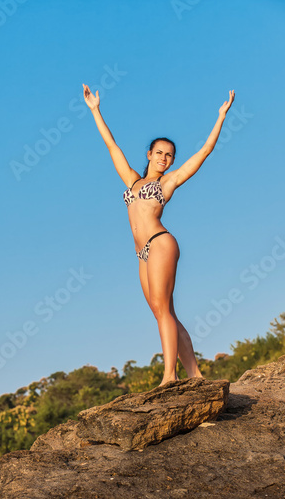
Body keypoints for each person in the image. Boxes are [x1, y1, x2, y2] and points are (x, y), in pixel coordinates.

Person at [83, 83, 235, 386]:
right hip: (141, 253)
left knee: (164, 309)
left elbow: (204, 151)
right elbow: (112, 146)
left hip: (160, 242)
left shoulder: (168, 183)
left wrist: (221, 116)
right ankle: (195, 374)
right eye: (160, 153)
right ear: (149, 154)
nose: (164, 158)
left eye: (170, 156)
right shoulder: (132, 180)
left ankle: (170, 376)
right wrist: (95, 110)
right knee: (162, 312)